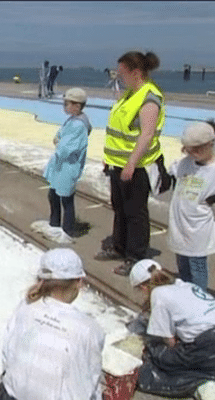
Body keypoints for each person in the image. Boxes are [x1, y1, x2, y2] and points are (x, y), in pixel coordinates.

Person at [0, 248, 105, 400]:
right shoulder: (89, 328)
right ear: (79, 282)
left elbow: (7, 355)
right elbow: (90, 381)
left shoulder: (26, 306)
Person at [95, 51, 166, 276]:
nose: (119, 77)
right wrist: (109, 158)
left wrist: (131, 164)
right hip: (117, 163)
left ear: (135, 73)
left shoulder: (149, 97)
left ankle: (136, 256)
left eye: (121, 73)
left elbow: (146, 135)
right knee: (120, 208)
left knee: (135, 213)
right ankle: (119, 246)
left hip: (137, 167)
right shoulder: (130, 94)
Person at [128, 259, 215, 397]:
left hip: (208, 343)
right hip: (209, 336)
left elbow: (170, 342)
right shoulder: (184, 285)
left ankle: (203, 380)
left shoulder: (158, 294)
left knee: (161, 356)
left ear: (143, 287)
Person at [163, 121, 215, 290]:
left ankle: (200, 298)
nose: (192, 153)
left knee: (197, 266)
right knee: (183, 265)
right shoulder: (185, 163)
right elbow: (168, 174)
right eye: (188, 149)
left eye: (197, 149)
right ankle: (186, 294)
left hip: (198, 229)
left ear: (210, 145)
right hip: (180, 226)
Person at [42, 88, 92, 243]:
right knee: (54, 195)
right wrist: (58, 141)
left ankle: (68, 230)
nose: (64, 106)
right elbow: (59, 136)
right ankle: (54, 224)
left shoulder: (79, 125)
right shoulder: (72, 120)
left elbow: (66, 147)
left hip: (68, 167)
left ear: (77, 105)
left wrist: (59, 143)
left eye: (67, 103)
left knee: (66, 198)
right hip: (61, 166)